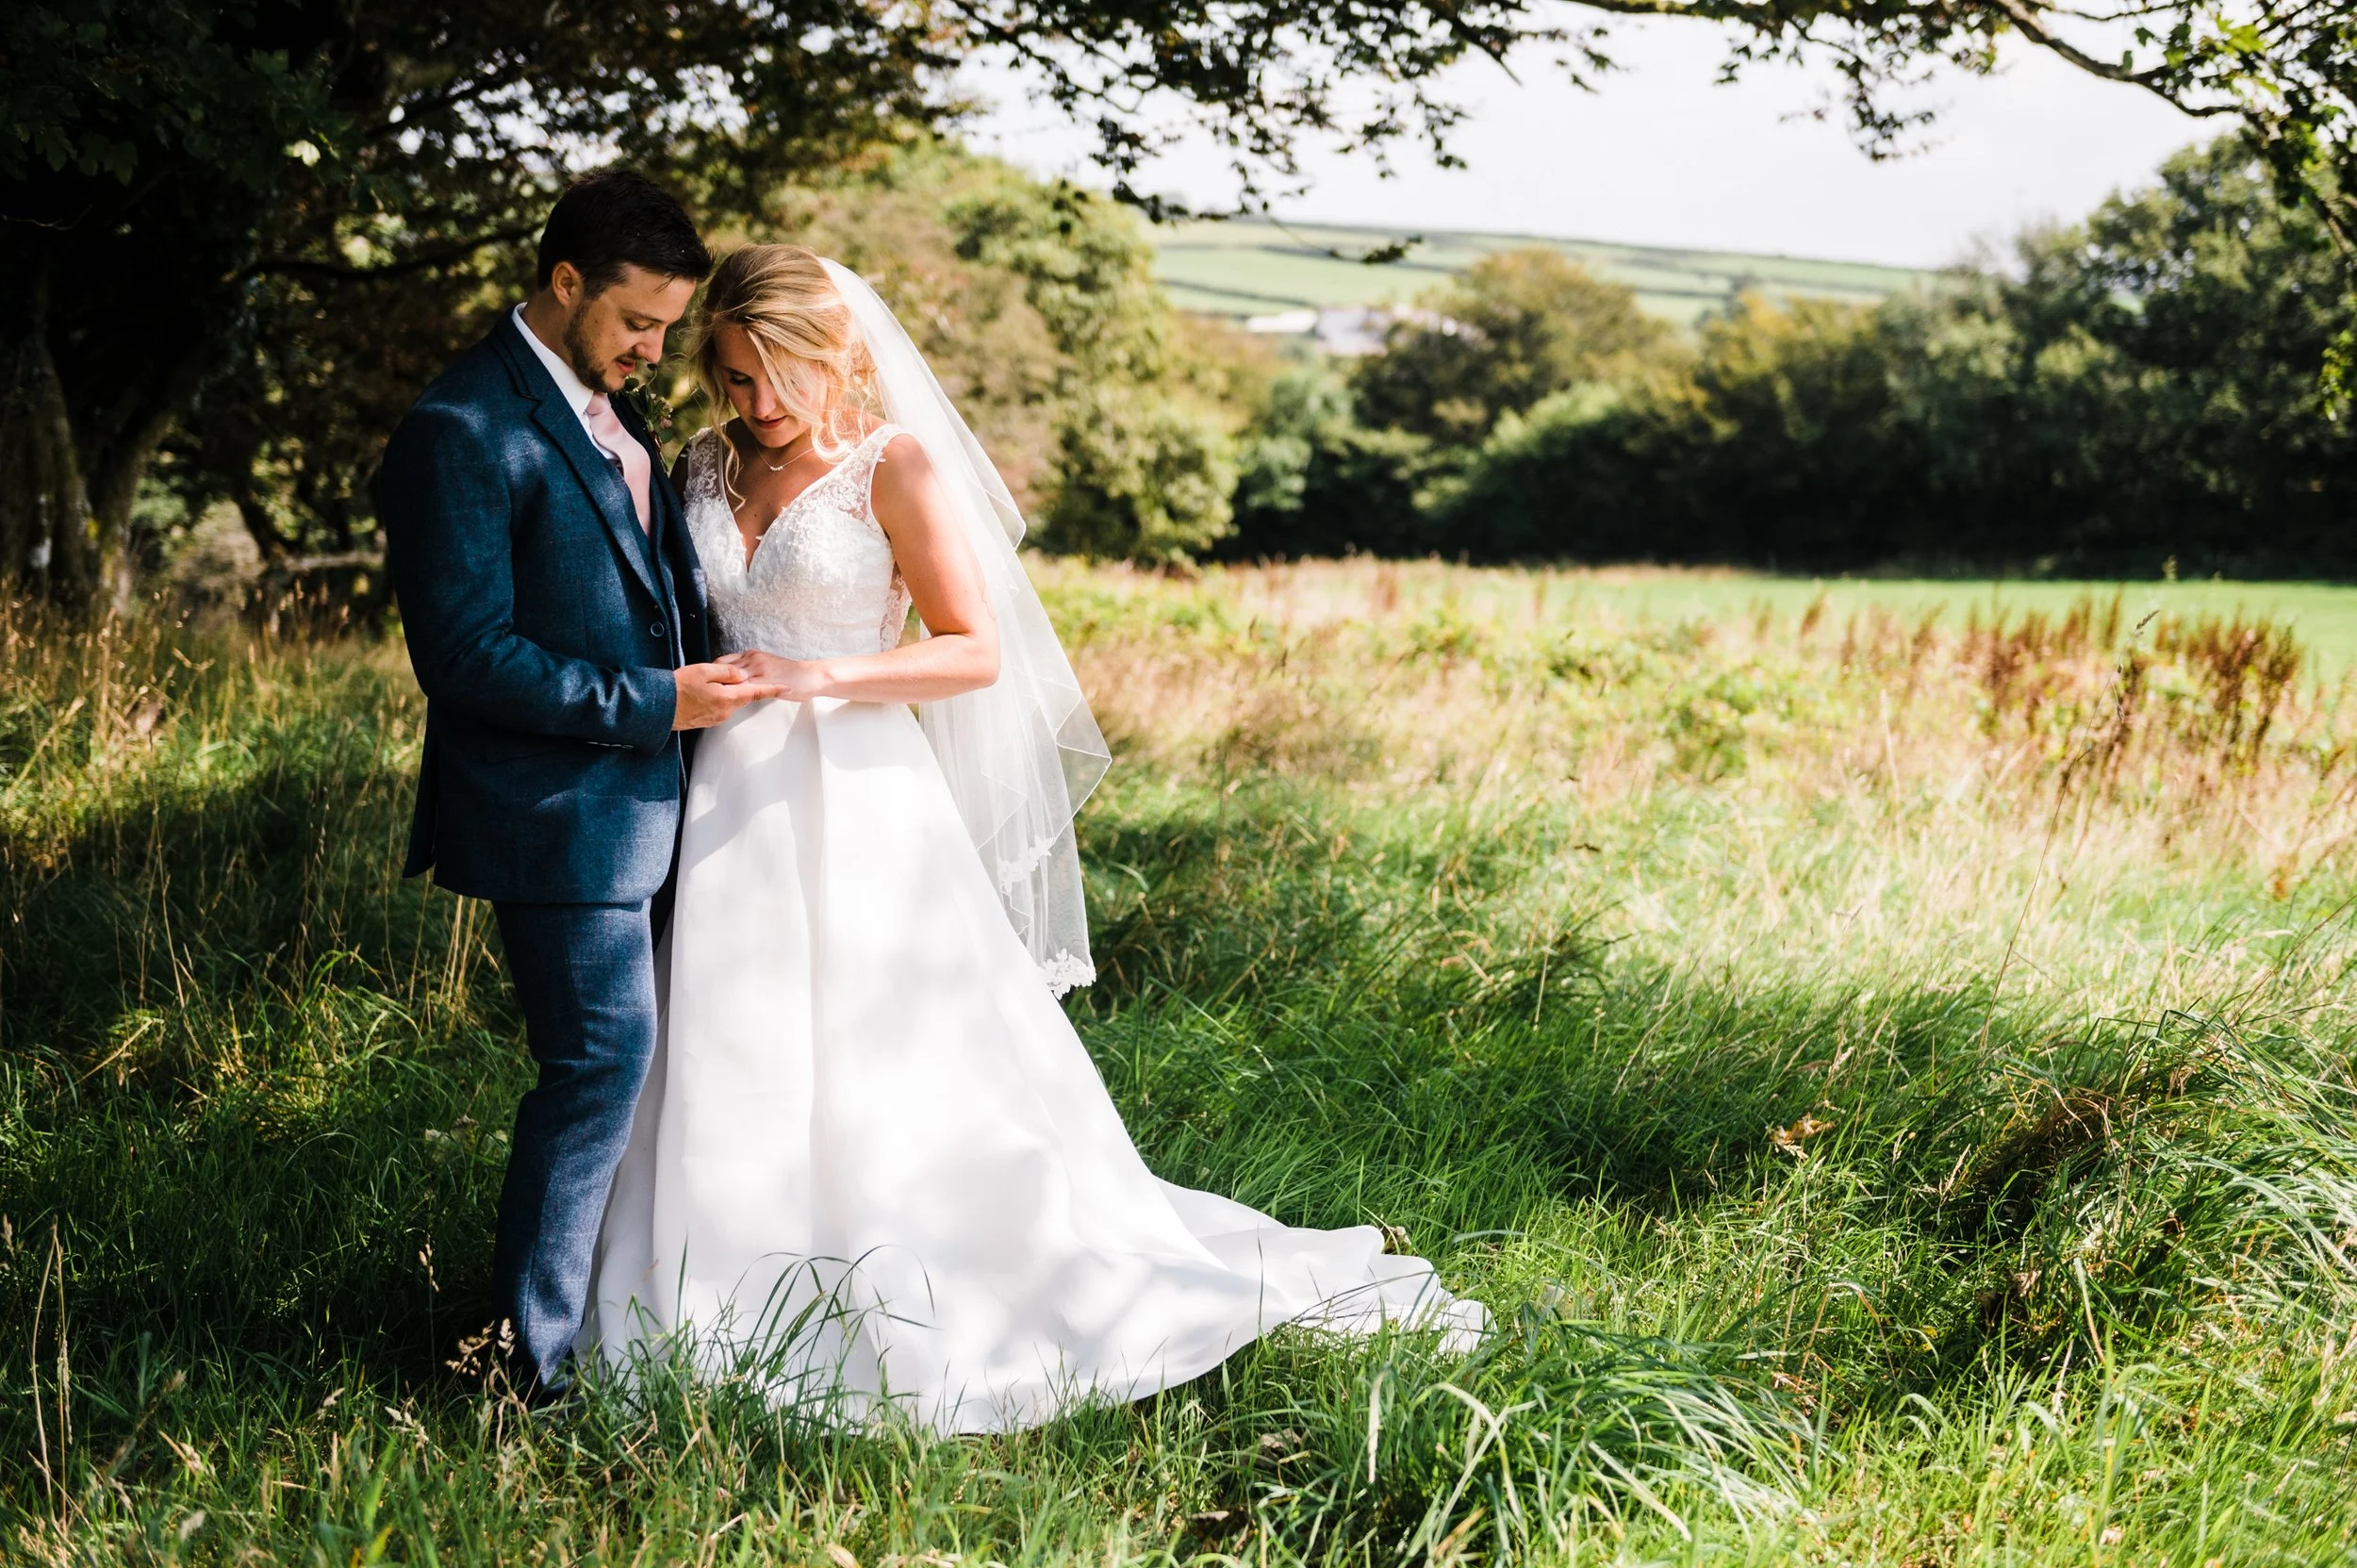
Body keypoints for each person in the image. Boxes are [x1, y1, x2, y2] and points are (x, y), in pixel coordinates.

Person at [578, 244, 1484, 1433]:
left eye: (778, 377)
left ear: (836, 352)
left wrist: (821, 673)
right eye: (736, 378)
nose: (758, 406)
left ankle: (916, 1266)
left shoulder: (890, 467)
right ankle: (713, 1285)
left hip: (855, 786)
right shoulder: (700, 462)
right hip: (722, 793)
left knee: (875, 1045)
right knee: (726, 1035)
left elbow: (972, 648)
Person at [379, 173, 783, 1402]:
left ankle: (630, 1314)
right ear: (566, 284)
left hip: (668, 809)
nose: (656, 351)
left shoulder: (609, 405)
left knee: (663, 1066)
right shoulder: (462, 426)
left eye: (667, 327)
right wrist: (659, 704)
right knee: (600, 1062)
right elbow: (467, 656)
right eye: (637, 323)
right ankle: (521, 1371)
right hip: (558, 818)